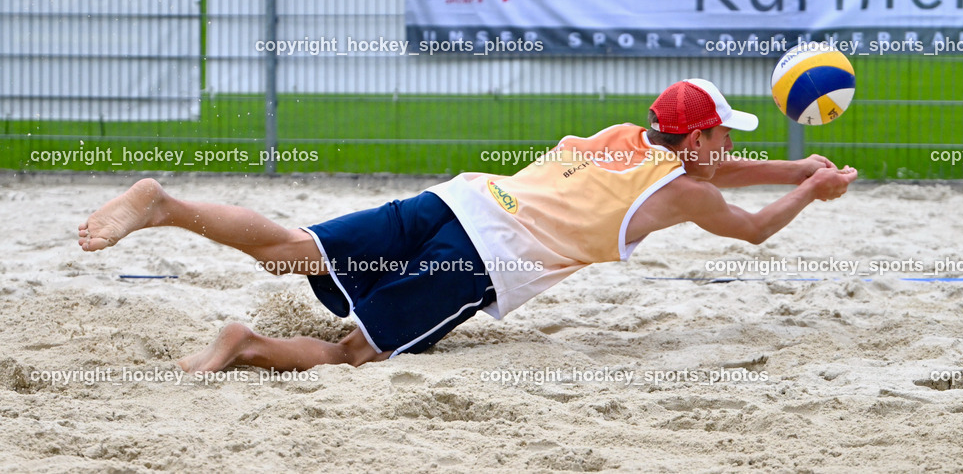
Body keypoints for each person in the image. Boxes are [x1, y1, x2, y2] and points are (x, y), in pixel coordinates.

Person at [78, 78, 857, 373]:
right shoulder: (686, 189)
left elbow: (714, 170)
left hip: (459, 199)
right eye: (723, 132)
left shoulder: (625, 134)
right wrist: (810, 194)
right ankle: (241, 343)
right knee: (356, 352)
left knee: (293, 250)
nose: (730, 142)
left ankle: (167, 207)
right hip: (485, 255)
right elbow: (751, 229)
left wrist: (799, 167)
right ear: (695, 141)